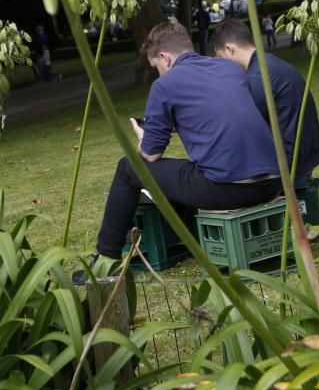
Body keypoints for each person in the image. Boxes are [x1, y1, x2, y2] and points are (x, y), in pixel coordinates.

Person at [90, 22, 281, 261]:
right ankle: (187, 236)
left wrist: (143, 138)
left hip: (231, 189)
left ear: (165, 58)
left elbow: (150, 155)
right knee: (185, 170)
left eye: (156, 68)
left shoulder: (165, 85)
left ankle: (105, 256)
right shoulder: (228, 68)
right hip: (274, 182)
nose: (157, 74)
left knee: (128, 168)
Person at [214, 19, 319, 189]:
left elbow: (242, 127)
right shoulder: (267, 62)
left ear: (230, 49)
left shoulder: (258, 77)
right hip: (305, 153)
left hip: (293, 162)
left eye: (221, 58)